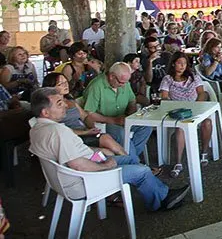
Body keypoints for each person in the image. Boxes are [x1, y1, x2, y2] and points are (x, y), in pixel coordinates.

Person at [29, 87, 190, 211]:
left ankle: (156, 191)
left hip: (69, 177)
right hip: (84, 181)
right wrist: (106, 165)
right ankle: (161, 202)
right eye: (59, 103)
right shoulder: (58, 132)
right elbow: (78, 165)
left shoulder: (37, 128)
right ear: (45, 112)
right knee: (142, 172)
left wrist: (97, 152)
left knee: (131, 159)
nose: (65, 105)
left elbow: (74, 154)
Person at [42, 73, 127, 156]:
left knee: (115, 135)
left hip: (85, 131)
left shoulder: (70, 100)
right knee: (106, 140)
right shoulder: (50, 107)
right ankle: (127, 160)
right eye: (61, 84)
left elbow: (85, 116)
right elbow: (58, 130)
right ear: (51, 87)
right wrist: (85, 132)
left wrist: (92, 127)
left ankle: (128, 160)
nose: (65, 85)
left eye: (66, 82)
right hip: (72, 137)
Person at [83, 63, 153, 162]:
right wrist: (113, 120)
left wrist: (130, 115)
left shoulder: (124, 83)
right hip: (104, 123)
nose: (124, 85)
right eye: (121, 82)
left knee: (146, 126)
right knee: (121, 133)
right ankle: (135, 162)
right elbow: (89, 113)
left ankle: (130, 159)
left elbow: (132, 100)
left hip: (122, 119)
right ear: (112, 76)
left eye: (126, 82)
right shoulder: (96, 86)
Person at [159, 51, 211, 177]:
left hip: (195, 109)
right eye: (179, 63)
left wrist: (197, 105)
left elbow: (201, 92)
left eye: (184, 63)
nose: (182, 66)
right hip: (178, 112)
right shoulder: (168, 79)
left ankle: (204, 151)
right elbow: (164, 97)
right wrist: (173, 106)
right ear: (173, 64)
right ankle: (178, 161)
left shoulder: (193, 77)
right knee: (180, 129)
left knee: (207, 122)